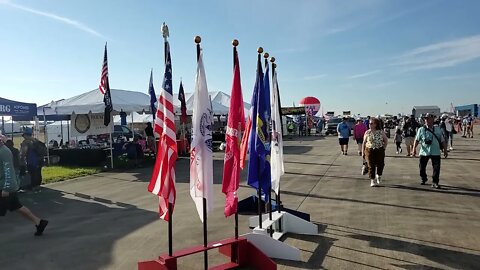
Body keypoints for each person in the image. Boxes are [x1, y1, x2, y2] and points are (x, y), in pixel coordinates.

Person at [0, 135, 48, 236]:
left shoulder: (4, 152)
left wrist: (6, 188)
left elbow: (8, 169)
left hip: (5, 187)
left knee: (16, 207)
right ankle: (39, 222)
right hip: (6, 186)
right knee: (18, 207)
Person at [413, 113, 448, 189]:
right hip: (424, 152)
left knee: (436, 168)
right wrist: (414, 149)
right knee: (421, 168)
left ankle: (435, 182)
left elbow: (442, 140)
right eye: (425, 119)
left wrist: (445, 150)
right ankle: (423, 178)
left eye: (428, 118)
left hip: (435, 152)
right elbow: (417, 140)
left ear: (432, 119)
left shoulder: (437, 129)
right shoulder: (421, 129)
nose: (426, 120)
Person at [362, 117, 388, 187]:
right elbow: (364, 143)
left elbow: (385, 140)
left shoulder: (380, 132)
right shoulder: (367, 132)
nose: (370, 125)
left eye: (371, 123)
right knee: (371, 165)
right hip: (369, 150)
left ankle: (379, 175)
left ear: (375, 124)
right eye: (369, 123)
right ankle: (372, 180)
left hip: (379, 150)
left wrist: (383, 148)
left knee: (381, 164)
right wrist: (363, 152)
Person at [20, 128, 45, 192]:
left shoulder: (26, 142)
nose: (23, 137)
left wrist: (22, 158)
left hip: (31, 161)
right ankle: (37, 186)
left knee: (32, 174)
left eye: (23, 135)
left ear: (26, 135)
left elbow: (24, 152)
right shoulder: (36, 141)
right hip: (39, 160)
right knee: (38, 173)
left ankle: (33, 186)